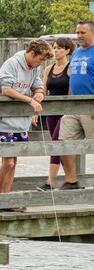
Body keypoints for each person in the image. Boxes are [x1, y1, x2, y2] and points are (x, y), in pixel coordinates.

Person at [0, 39, 51, 211]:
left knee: (14, 162)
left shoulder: (34, 68)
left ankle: (7, 201)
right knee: (7, 163)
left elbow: (38, 85)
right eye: (41, 59)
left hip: (21, 122)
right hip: (3, 122)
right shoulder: (12, 64)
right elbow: (6, 89)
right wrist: (30, 100)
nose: (42, 63)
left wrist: (39, 94)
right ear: (32, 53)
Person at [60, 20, 94, 190]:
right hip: (73, 105)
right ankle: (71, 180)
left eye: (83, 32)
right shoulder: (76, 53)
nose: (79, 36)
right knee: (64, 141)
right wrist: (67, 101)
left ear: (92, 33)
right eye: (77, 32)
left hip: (90, 105)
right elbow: (72, 78)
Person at [37, 37, 73, 191]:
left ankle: (49, 182)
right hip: (51, 113)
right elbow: (43, 91)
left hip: (64, 113)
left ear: (67, 51)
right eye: (55, 47)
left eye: (60, 48)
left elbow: (72, 93)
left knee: (56, 144)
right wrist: (36, 109)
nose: (56, 50)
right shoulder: (48, 69)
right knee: (58, 146)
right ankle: (71, 181)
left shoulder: (71, 68)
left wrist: (69, 112)